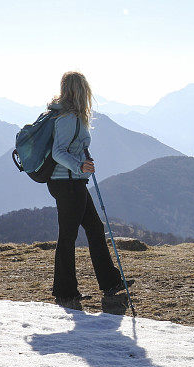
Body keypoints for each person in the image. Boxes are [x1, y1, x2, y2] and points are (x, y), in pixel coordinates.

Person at [46, 71, 133, 309]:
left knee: (94, 228)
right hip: (67, 181)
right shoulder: (68, 118)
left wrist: (82, 161)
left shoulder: (68, 116)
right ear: (80, 91)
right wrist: (80, 165)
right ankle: (65, 292)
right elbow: (57, 152)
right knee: (69, 235)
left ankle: (110, 282)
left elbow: (69, 148)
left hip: (73, 180)